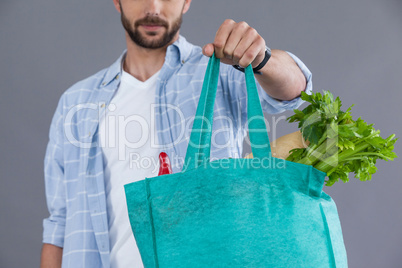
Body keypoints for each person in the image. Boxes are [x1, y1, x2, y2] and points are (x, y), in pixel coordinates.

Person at [40, 0, 312, 267]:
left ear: (186, 2)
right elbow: (60, 224)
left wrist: (261, 58)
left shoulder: (221, 71)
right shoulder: (75, 102)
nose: (154, 8)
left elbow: (294, 91)